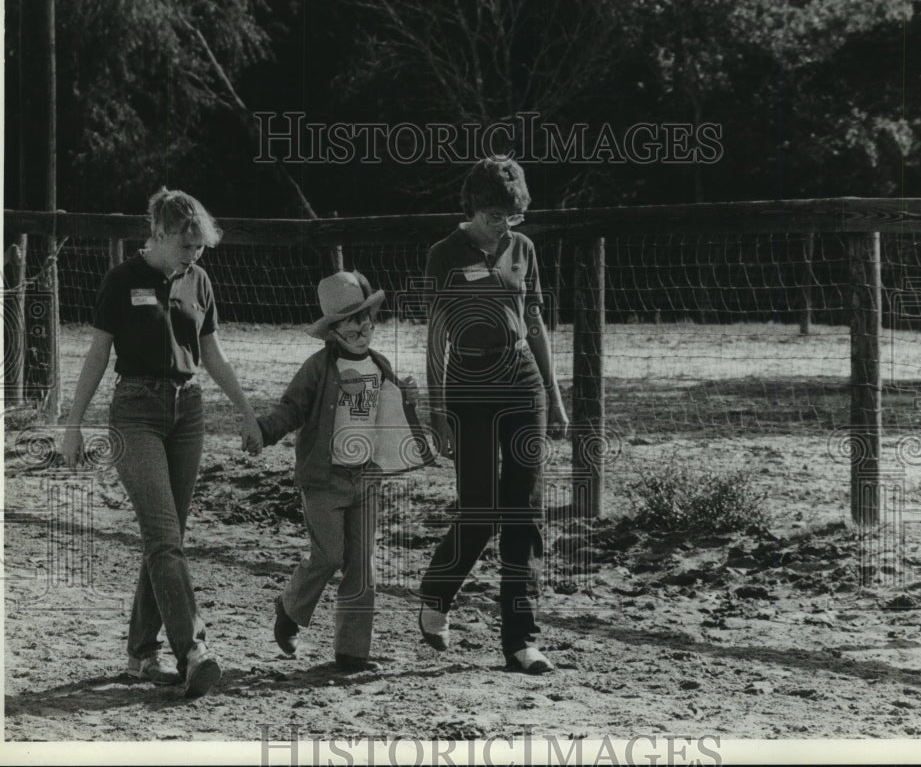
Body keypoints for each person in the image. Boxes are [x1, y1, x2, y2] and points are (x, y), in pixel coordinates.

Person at [61, 188, 262, 698]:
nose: (192, 256)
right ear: (158, 233)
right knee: (164, 535)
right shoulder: (121, 280)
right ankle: (193, 651)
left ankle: (140, 653)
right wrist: (73, 424)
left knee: (166, 537)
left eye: (199, 248)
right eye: (184, 246)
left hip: (188, 412)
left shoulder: (199, 280)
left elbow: (211, 352)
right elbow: (97, 356)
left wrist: (245, 411)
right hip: (135, 413)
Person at [418, 156, 569, 674]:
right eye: (492, 217)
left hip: (524, 383)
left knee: (525, 511)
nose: (501, 226)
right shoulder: (444, 254)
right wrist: (436, 409)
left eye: (510, 216)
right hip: (468, 387)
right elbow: (437, 335)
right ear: (472, 208)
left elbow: (534, 319)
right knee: (479, 513)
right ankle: (436, 593)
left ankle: (522, 640)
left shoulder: (523, 249)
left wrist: (555, 393)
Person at [257, 270, 433, 673]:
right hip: (323, 480)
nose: (359, 327)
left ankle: (352, 652)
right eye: (348, 322)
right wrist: (265, 430)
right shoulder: (318, 368)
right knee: (329, 554)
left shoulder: (379, 364)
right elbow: (292, 408)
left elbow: (393, 411)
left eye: (364, 318)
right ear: (332, 330)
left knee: (362, 563)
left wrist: (409, 398)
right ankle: (290, 609)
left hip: (365, 478)